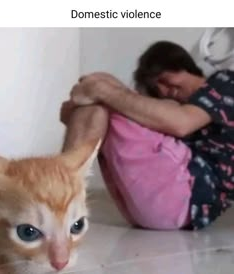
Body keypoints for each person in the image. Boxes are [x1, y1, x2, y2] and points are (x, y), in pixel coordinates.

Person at [61, 41, 234, 230]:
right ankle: (61, 191)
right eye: (155, 87)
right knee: (101, 92)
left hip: (188, 196)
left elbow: (182, 123)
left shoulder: (224, 82)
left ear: (181, 65)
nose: (162, 90)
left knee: (103, 89)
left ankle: (58, 190)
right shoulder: (173, 106)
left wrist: (99, 92)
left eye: (163, 78)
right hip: (149, 205)